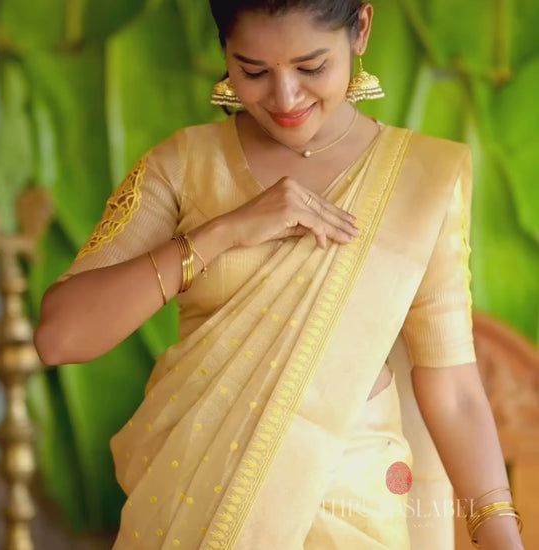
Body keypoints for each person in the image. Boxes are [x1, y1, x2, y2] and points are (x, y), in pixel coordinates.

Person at [34, 1, 525, 549]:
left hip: (351, 508)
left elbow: (453, 390)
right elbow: (59, 337)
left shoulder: (420, 178)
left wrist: (500, 535)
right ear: (225, 51)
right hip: (194, 499)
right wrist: (222, 233)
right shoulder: (183, 165)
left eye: (311, 67)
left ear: (361, 29)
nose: (285, 97)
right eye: (254, 71)